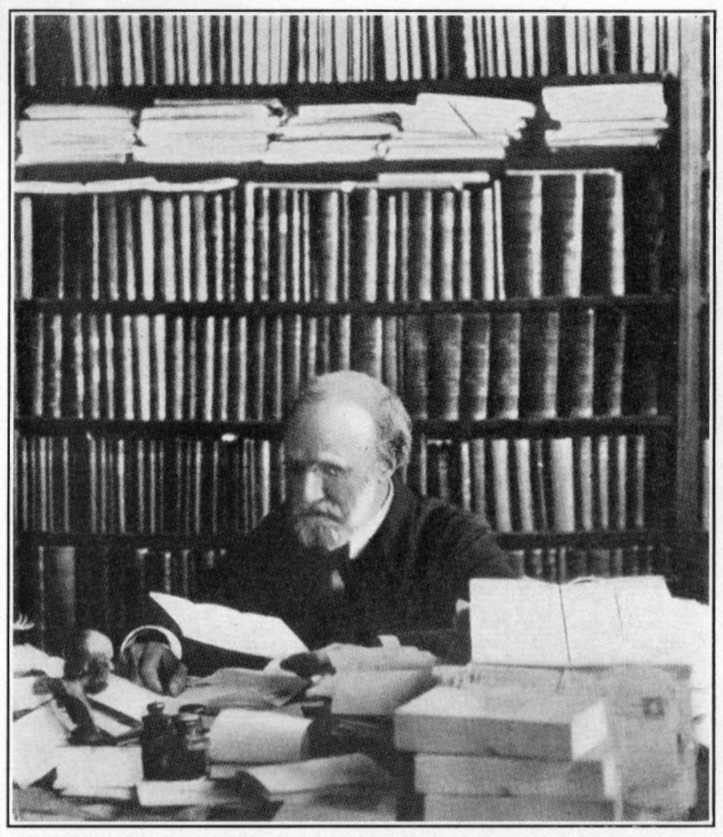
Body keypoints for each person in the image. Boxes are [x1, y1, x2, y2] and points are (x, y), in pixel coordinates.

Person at [121, 371, 516, 694]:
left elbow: (511, 635)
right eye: (296, 469)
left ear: (387, 463)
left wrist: (374, 655)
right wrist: (159, 640)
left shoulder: (451, 538)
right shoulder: (281, 533)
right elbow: (202, 610)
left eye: (331, 470)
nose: (307, 494)